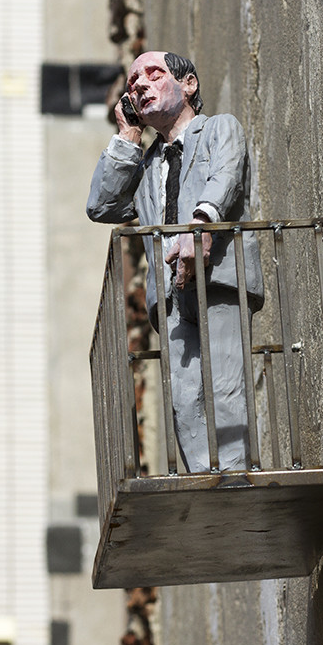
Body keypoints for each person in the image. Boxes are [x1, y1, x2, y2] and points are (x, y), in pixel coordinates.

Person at [86, 51, 263, 472]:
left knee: (224, 385)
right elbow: (101, 206)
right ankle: (206, 480)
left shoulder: (220, 128)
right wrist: (128, 136)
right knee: (185, 399)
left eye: (153, 74)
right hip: (170, 295)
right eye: (133, 83)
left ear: (188, 85)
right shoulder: (145, 167)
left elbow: (227, 174)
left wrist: (199, 224)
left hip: (218, 279)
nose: (140, 84)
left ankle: (234, 479)